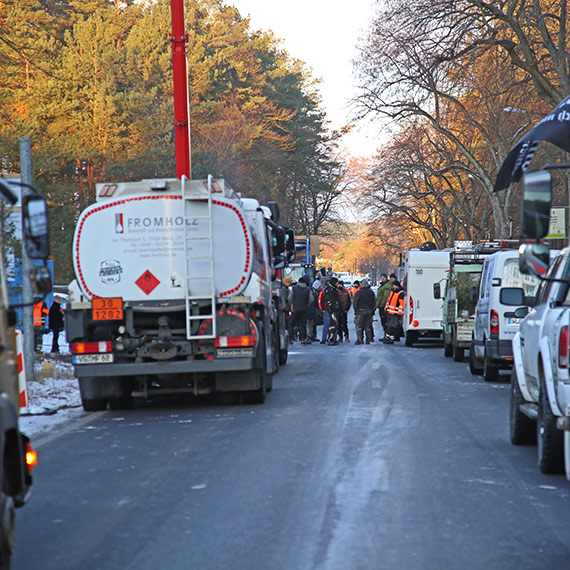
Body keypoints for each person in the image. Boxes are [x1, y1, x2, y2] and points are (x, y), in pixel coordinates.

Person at [290, 276, 314, 345]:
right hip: (304, 309)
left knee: (292, 324)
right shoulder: (307, 289)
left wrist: (292, 304)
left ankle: (291, 339)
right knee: (303, 325)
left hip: (295, 309)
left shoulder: (294, 288)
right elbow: (312, 299)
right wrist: (307, 305)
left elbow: (289, 298)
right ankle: (303, 339)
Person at [319, 276, 342, 345]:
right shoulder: (334, 291)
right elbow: (338, 300)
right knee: (334, 324)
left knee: (326, 324)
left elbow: (321, 300)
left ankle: (324, 338)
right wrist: (338, 308)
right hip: (333, 310)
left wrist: (322, 308)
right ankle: (333, 339)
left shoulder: (326, 290)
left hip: (327, 309)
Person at [353, 279, 376, 344]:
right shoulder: (371, 292)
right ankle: (368, 340)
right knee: (368, 326)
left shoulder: (358, 292)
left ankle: (360, 339)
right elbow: (374, 303)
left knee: (359, 326)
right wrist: (372, 311)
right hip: (369, 311)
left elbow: (355, 302)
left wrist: (356, 311)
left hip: (360, 311)